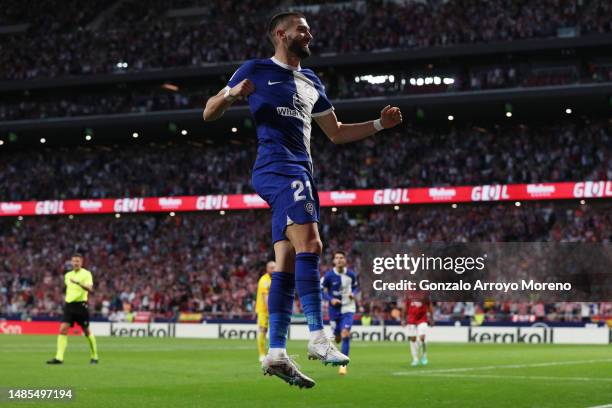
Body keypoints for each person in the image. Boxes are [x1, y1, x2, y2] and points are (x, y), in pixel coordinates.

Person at [203, 11, 402, 388]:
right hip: (279, 168)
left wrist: (379, 125)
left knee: (288, 264)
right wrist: (232, 93)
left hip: (300, 172)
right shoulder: (256, 69)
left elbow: (337, 133)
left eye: (308, 29)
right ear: (281, 34)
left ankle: (276, 351)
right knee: (313, 242)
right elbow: (208, 112)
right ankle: (317, 336)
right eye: (301, 28)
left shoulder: (311, 80)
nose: (308, 34)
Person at [46, 253, 99, 365]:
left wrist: (78, 283)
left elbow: (90, 288)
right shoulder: (67, 275)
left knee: (86, 331)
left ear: (82, 262)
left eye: (78, 261)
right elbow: (70, 290)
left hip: (81, 306)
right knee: (63, 329)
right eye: (74, 261)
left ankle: (94, 356)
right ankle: (59, 358)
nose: (75, 263)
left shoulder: (86, 274)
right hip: (69, 306)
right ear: (71, 262)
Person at [321, 251, 358, 375]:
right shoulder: (328, 276)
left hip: (348, 308)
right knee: (337, 337)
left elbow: (356, 287)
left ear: (345, 260)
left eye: (341, 257)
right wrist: (331, 299)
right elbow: (322, 291)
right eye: (336, 258)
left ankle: (343, 365)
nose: (339, 260)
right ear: (334, 261)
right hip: (334, 310)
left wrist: (354, 294)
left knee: (345, 334)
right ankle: (337, 335)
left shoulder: (351, 275)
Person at [402, 290, 434, 367]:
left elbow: (430, 306)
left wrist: (432, 318)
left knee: (422, 338)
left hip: (422, 319)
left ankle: (424, 355)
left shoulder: (425, 294)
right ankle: (415, 358)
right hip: (411, 319)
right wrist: (403, 319)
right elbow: (405, 307)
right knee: (413, 339)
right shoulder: (408, 294)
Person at [256, 261, 275, 362]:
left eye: (275, 267)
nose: (274, 269)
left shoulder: (276, 279)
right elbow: (265, 297)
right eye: (272, 267)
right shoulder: (264, 280)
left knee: (274, 331)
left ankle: (273, 352)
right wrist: (270, 309)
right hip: (264, 310)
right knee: (263, 330)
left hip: (273, 310)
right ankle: (261, 354)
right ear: (267, 269)